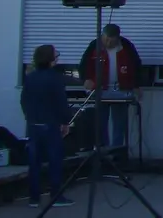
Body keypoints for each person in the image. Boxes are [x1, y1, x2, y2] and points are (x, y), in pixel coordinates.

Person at [21, 44, 75, 208]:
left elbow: (24, 101)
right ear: (51, 59)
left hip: (34, 125)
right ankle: (56, 195)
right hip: (51, 125)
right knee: (55, 161)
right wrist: (65, 121)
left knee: (34, 162)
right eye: (56, 54)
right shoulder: (55, 78)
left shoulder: (30, 77)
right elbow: (61, 103)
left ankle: (34, 197)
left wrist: (30, 118)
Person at [80, 22, 142, 151]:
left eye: (111, 40)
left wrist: (136, 85)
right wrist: (86, 79)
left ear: (117, 38)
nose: (107, 43)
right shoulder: (94, 46)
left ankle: (116, 153)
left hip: (121, 89)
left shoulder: (126, 46)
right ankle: (103, 152)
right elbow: (84, 65)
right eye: (105, 39)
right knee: (101, 124)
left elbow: (136, 66)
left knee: (119, 125)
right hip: (100, 90)